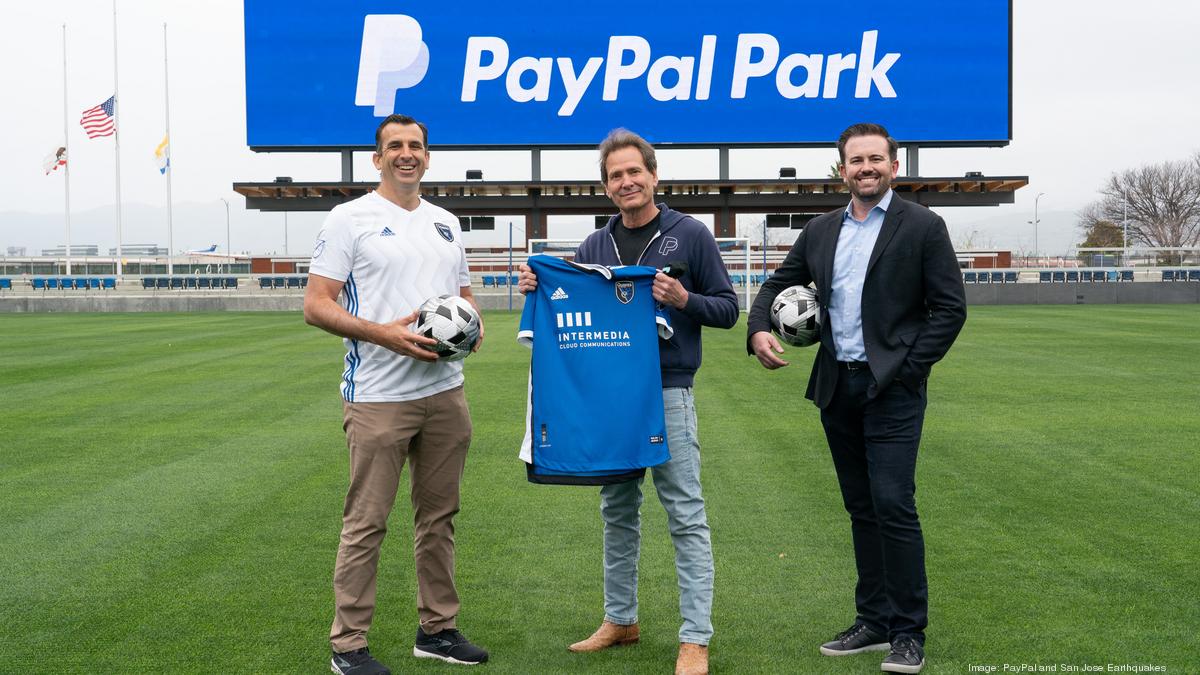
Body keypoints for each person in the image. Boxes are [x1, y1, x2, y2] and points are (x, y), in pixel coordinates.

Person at [747, 123, 966, 674]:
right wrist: (756, 330)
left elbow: (950, 309)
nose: (865, 168)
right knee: (861, 507)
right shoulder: (821, 230)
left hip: (891, 389)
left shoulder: (922, 226)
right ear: (841, 169)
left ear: (893, 165)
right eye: (855, 160)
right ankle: (873, 620)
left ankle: (908, 632)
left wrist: (907, 369)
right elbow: (776, 285)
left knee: (893, 504)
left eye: (876, 159)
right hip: (836, 386)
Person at [518, 128, 739, 675]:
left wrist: (684, 298)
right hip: (608, 399)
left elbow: (728, 308)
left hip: (667, 392)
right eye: (615, 175)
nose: (626, 182)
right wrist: (534, 284)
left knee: (684, 514)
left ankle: (695, 639)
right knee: (617, 511)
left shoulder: (690, 235)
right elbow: (569, 292)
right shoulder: (596, 245)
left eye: (634, 171)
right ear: (607, 186)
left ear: (653, 175)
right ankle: (621, 619)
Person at [304, 114, 488, 675]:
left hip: (445, 394)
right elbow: (316, 304)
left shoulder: (446, 223)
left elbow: (461, 295)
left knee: (439, 519)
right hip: (378, 396)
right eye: (395, 146)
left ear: (428, 157)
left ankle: (438, 630)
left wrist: (472, 325)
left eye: (416, 146)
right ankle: (348, 645)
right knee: (367, 522)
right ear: (377, 158)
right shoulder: (349, 219)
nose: (406, 154)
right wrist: (384, 333)